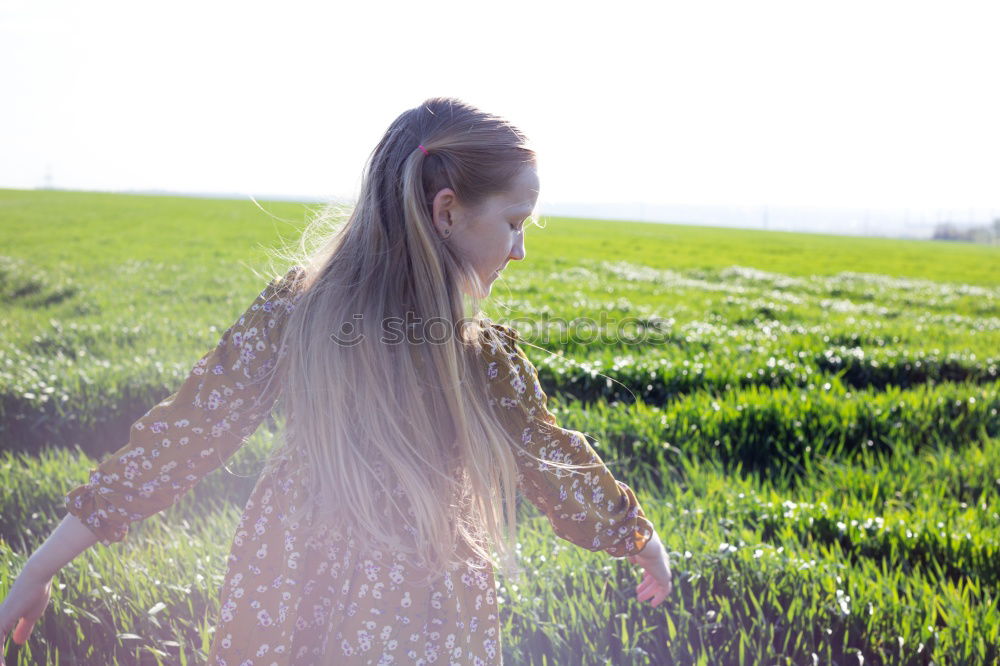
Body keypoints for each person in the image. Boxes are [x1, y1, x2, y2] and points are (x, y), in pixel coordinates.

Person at [0, 97, 672, 665]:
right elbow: (555, 462)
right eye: (515, 223)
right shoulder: (477, 355)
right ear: (445, 212)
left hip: (282, 592)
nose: (521, 249)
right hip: (423, 613)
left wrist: (39, 567)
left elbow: (184, 437)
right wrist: (641, 541)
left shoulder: (298, 312)